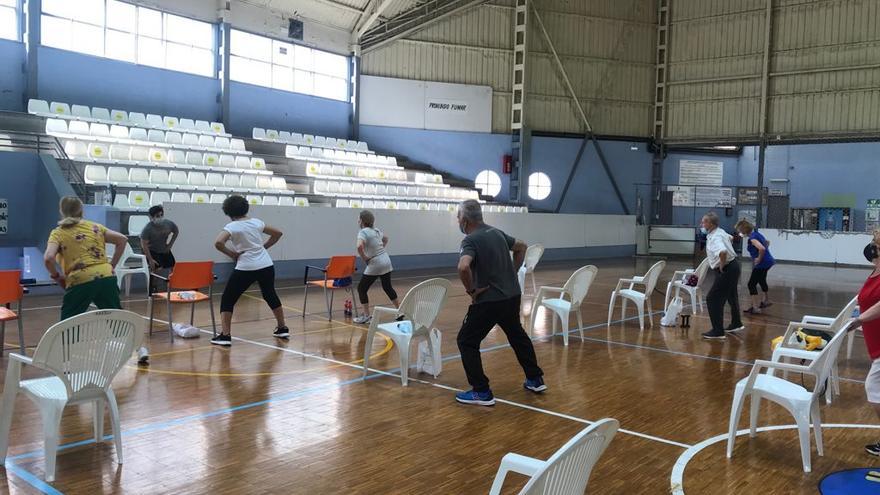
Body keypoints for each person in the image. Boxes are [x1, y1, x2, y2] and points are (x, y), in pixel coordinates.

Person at [454, 199, 545, 406]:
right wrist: (512, 272)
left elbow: (463, 267)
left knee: (466, 341)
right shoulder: (496, 233)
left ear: (466, 220)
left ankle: (481, 391)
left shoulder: (470, 240)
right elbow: (521, 246)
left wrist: (471, 291)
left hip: (489, 301)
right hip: (512, 296)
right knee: (517, 335)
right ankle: (535, 378)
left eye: (458, 217)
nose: (457, 220)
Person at [43, 196, 150, 363]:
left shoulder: (58, 233)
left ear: (61, 211)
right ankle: (140, 349)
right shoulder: (95, 227)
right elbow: (122, 239)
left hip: (80, 279)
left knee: (69, 320)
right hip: (105, 276)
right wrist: (112, 265)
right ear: (81, 210)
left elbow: (48, 258)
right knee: (116, 316)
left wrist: (57, 276)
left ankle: (66, 361)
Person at [212, 195, 288, 346]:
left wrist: (232, 254)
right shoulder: (256, 222)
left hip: (246, 267)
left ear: (228, 212)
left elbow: (218, 242)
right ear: (246, 208)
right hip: (266, 264)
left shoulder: (232, 227)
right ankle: (282, 328)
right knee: (270, 294)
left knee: (228, 298)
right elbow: (278, 233)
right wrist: (263, 248)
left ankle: (225, 335)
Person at [852, 231, 880, 456]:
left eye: (875, 244)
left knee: (873, 386)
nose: (872, 247)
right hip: (875, 342)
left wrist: (860, 319)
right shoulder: (876, 269)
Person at [701, 212, 745, 340]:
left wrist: (721, 265)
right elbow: (730, 238)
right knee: (731, 295)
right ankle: (736, 323)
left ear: (711, 224)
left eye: (704, 222)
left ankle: (717, 330)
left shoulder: (715, 237)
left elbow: (723, 251)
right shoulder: (720, 232)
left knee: (712, 298)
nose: (702, 224)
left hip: (727, 268)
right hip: (734, 266)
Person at [353, 210, 399, 324]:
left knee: (361, 288)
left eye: (358, 218)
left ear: (362, 221)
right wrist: (381, 249)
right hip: (386, 260)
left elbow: (359, 247)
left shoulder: (363, 232)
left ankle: (367, 316)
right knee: (387, 287)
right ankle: (400, 312)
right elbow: (386, 239)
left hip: (376, 263)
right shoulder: (376, 230)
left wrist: (365, 258)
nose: (357, 220)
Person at [735, 219, 775, 314]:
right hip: (769, 261)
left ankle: (755, 307)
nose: (739, 233)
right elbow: (767, 242)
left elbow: (761, 248)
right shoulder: (757, 234)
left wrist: (759, 258)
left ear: (744, 230)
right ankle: (766, 300)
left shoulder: (752, 238)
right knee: (761, 279)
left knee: (751, 284)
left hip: (762, 263)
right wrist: (764, 254)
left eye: (740, 230)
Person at [140, 205, 179, 293]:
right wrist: (150, 259)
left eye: (161, 215)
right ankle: (153, 287)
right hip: (151, 250)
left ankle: (171, 285)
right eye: (157, 216)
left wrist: (170, 245)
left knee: (174, 266)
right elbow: (144, 245)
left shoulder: (169, 224)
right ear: (151, 217)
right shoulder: (147, 229)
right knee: (157, 268)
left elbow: (176, 231)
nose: (160, 218)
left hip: (164, 248)